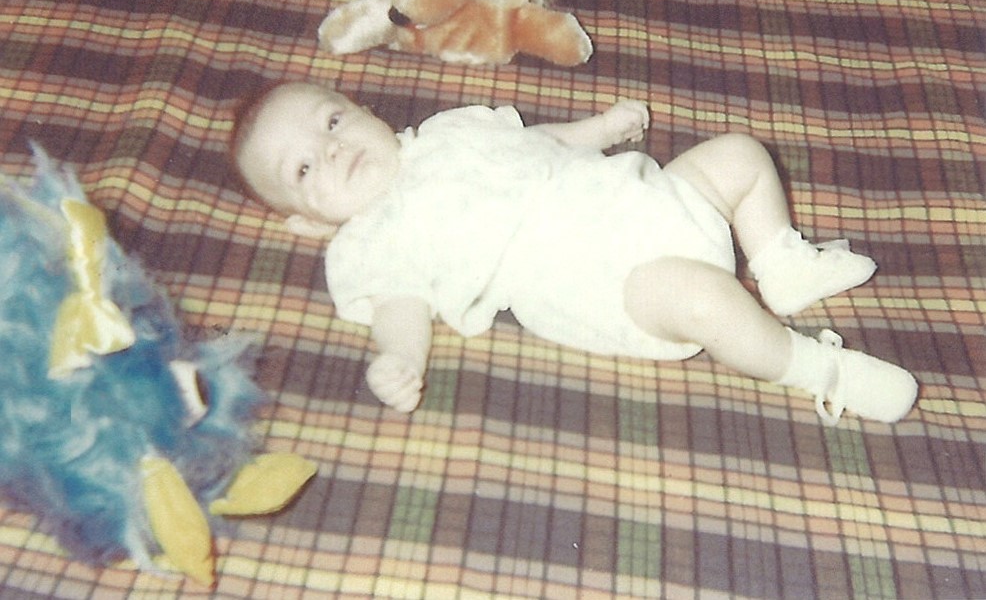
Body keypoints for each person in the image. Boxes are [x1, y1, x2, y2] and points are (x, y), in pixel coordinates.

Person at [231, 81, 918, 425]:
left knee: (740, 154)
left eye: (332, 120)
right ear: (307, 224)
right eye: (304, 169)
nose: (332, 149)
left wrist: (602, 128)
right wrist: (399, 359)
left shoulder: (448, 131)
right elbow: (399, 305)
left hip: (650, 195)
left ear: (366, 111)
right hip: (613, 282)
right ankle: (821, 370)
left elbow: (538, 143)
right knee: (707, 301)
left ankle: (781, 262)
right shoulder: (376, 237)